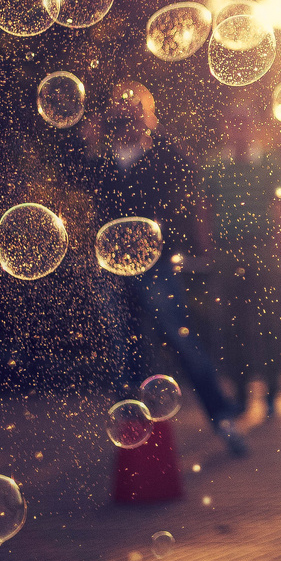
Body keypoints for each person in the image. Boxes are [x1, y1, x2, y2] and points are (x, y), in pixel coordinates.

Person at [70, 83, 246, 456]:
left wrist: (152, 129)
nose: (129, 119)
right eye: (123, 112)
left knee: (181, 339)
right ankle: (135, 443)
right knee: (125, 349)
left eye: (137, 112)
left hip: (155, 265)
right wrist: (89, 142)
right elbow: (78, 179)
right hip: (112, 266)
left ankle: (223, 418)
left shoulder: (162, 155)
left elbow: (190, 172)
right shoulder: (102, 161)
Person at [200, 103, 281, 420]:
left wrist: (276, 245)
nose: (239, 129)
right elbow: (204, 210)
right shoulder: (214, 166)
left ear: (253, 127)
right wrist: (211, 251)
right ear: (227, 126)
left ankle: (269, 393)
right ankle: (240, 394)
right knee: (232, 325)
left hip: (261, 249)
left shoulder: (271, 163)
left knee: (268, 324)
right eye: (234, 123)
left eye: (245, 123)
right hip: (227, 252)